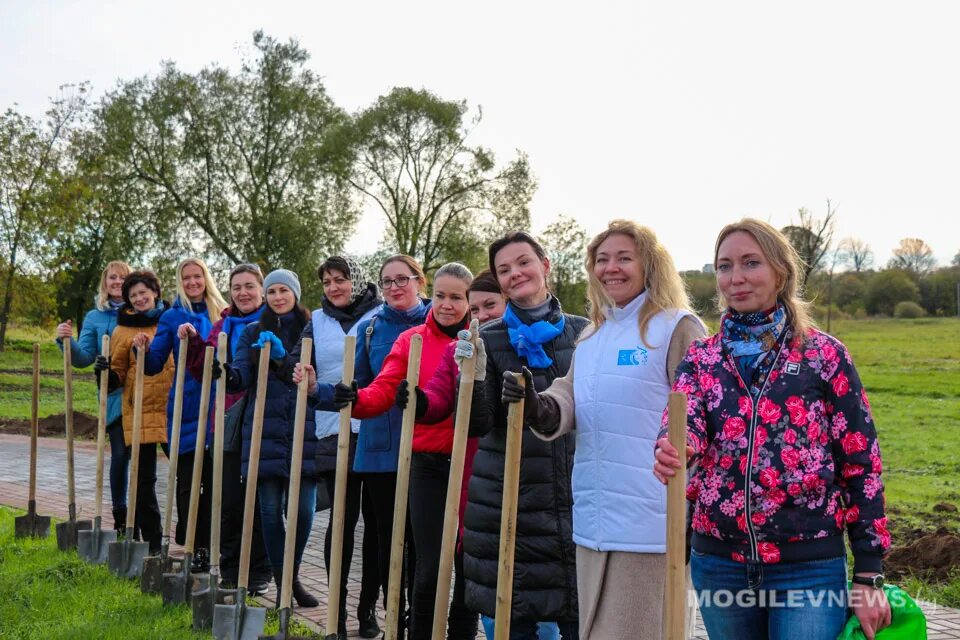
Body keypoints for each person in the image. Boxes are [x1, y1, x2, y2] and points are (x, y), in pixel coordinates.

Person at [654, 218, 891, 640]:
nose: (736, 278)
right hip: (719, 561)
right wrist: (675, 447)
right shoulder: (702, 358)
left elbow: (862, 463)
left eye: (751, 263)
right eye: (724, 266)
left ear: (780, 271)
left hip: (808, 566)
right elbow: (682, 420)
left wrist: (870, 572)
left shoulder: (824, 356)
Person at [498, 221, 706, 639]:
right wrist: (538, 407)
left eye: (624, 257)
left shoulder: (676, 327)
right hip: (594, 521)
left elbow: (703, 413)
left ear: (650, 264)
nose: (611, 268)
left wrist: (688, 504)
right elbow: (569, 397)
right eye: (602, 260)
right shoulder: (593, 335)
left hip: (652, 525)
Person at [295, 254, 429, 640]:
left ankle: (397, 617)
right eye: (387, 282)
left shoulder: (436, 319)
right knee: (368, 530)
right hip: (370, 441)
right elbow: (360, 389)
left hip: (423, 444)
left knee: (409, 541)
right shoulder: (370, 326)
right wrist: (315, 389)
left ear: (419, 280)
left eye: (401, 280)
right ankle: (353, 615)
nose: (394, 288)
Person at [463, 232, 588, 640]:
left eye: (523, 262)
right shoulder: (490, 338)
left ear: (545, 264)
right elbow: (477, 425)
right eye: (504, 269)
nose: (515, 274)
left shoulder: (584, 334)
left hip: (574, 499)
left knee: (580, 617)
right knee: (514, 621)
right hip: (509, 504)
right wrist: (475, 378)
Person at [282, 255, 383, 638]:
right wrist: (298, 371)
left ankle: (367, 609)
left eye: (340, 280)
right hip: (332, 430)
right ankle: (337, 615)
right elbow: (297, 363)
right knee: (341, 521)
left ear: (355, 281)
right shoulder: (316, 323)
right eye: (327, 282)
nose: (334, 288)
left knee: (374, 525)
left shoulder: (378, 315)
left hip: (373, 429)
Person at [217, 269, 320, 607]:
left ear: (295, 293)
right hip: (264, 431)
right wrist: (227, 375)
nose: (277, 297)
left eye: (283, 291)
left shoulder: (312, 331)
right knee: (271, 509)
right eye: (272, 291)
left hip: (303, 428)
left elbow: (303, 377)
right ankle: (283, 584)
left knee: (304, 510)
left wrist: (278, 358)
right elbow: (242, 375)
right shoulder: (252, 331)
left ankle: (290, 576)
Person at [178, 263, 273, 595]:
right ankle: (231, 567)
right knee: (229, 498)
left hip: (265, 421)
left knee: (261, 499)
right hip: (227, 420)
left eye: (250, 286)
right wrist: (192, 343)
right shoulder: (222, 326)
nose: (243, 293)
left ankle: (260, 570)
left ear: (261, 289)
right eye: (237, 287)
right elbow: (202, 371)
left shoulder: (275, 323)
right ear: (229, 291)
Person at [135, 257, 227, 572]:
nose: (192, 283)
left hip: (220, 405)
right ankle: (194, 545)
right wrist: (143, 350)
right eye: (186, 278)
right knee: (188, 482)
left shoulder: (222, 312)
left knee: (216, 483)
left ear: (206, 279)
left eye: (197, 276)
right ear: (180, 281)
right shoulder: (172, 316)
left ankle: (213, 546)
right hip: (186, 406)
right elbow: (155, 363)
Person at [96, 270, 173, 553]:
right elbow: (116, 373)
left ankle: (195, 544)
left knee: (190, 477)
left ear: (155, 292)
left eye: (144, 292)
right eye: (133, 295)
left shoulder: (172, 321)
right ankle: (153, 544)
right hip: (140, 410)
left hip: (172, 409)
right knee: (143, 482)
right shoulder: (122, 330)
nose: (140, 298)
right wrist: (104, 373)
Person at [55, 261, 132, 533]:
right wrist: (67, 340)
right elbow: (84, 357)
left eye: (124, 278)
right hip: (112, 396)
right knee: (120, 455)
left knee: (144, 459)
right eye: (113, 277)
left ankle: (145, 516)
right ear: (105, 282)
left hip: (143, 395)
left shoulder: (140, 309)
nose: (118, 282)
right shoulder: (95, 317)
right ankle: (121, 516)